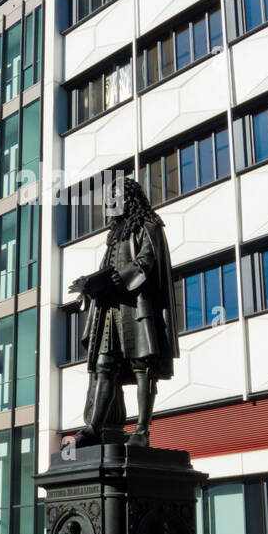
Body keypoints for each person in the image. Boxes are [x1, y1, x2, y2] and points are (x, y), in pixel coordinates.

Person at [69, 175, 180, 449]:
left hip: (137, 307)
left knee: (143, 367)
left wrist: (121, 276)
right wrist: (91, 283)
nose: (109, 203)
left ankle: (142, 430)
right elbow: (107, 268)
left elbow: (147, 261)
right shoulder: (114, 235)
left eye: (114, 197)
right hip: (110, 309)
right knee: (105, 365)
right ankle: (94, 428)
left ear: (128, 198)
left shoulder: (149, 225)